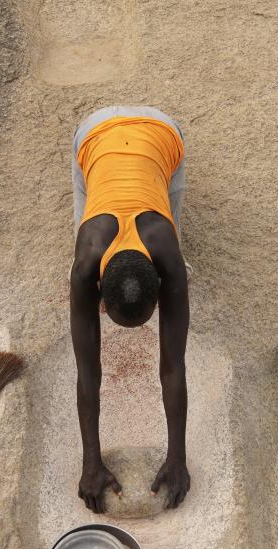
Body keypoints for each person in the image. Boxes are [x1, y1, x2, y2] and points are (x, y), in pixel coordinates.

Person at [69, 106, 190, 514]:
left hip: (164, 132)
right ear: (98, 289)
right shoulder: (86, 260)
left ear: (162, 282)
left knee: (170, 215)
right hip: (92, 133)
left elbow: (173, 367)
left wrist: (178, 457)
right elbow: (88, 374)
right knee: (87, 215)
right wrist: (90, 460)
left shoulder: (170, 258)